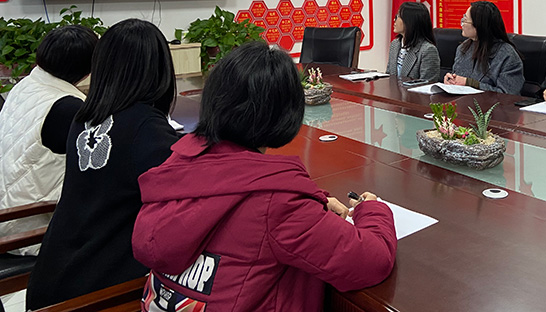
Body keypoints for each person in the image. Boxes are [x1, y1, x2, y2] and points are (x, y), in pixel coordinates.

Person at [132, 42, 397, 310]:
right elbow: (371, 261)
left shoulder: (177, 165)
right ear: (286, 113)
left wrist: (313, 201)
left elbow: (230, 189)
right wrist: (372, 210)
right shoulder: (278, 202)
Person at [26, 19, 180, 309]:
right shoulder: (146, 128)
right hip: (101, 294)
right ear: (159, 68)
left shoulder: (82, 118)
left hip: (49, 282)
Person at [0, 26, 98, 255]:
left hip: (7, 211)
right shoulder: (69, 109)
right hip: (26, 232)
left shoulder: (26, 85)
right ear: (89, 67)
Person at [444, 1, 523, 94]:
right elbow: (458, 80)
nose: (462, 24)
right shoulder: (463, 48)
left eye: (465, 20)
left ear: (479, 25)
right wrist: (451, 81)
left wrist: (471, 83)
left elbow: (508, 95)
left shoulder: (507, 55)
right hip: (462, 101)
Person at [386, 2, 440, 82]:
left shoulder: (427, 50)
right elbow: (388, 77)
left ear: (409, 22)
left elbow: (427, 85)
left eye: (398, 17)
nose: (394, 20)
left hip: (414, 91)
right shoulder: (395, 44)